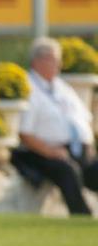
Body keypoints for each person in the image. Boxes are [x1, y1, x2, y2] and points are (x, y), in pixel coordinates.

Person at [11, 37, 98, 216]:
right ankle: (82, 215)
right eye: (53, 59)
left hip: (79, 151)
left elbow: (85, 119)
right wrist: (51, 151)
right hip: (44, 152)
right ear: (37, 61)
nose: (58, 63)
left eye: (58, 59)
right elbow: (25, 133)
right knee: (67, 170)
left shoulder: (62, 87)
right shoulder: (29, 88)